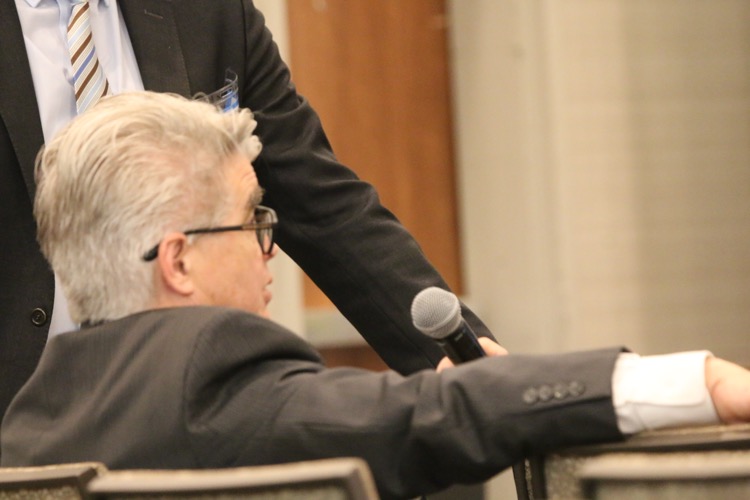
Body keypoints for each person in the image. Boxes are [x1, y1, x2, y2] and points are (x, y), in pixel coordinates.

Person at [3, 92, 750, 499]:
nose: (271, 250)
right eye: (254, 220)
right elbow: (422, 418)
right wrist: (699, 381)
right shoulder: (209, 376)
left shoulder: (32, 423)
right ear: (179, 262)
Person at [0, 0, 494, 422]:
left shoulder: (209, 12)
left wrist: (464, 356)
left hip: (188, 415)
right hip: (21, 422)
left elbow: (325, 205)